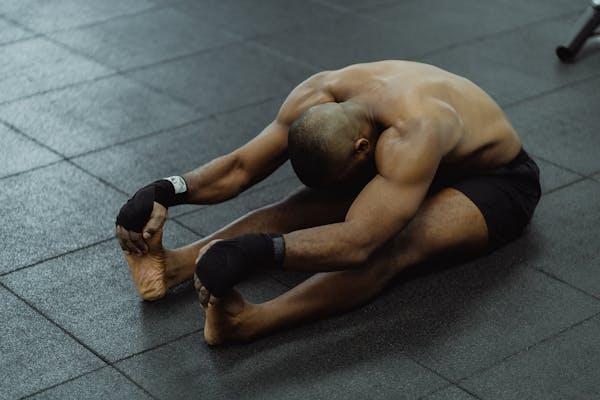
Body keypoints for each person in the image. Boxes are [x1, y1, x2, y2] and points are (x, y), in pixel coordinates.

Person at [115, 60, 541, 345]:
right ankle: (171, 266)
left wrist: (260, 252)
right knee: (291, 210)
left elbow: (359, 242)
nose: (347, 189)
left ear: (362, 148)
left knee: (395, 245)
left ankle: (251, 321)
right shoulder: (318, 95)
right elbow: (241, 167)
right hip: (413, 163)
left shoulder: (416, 130)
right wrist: (166, 190)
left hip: (496, 181)